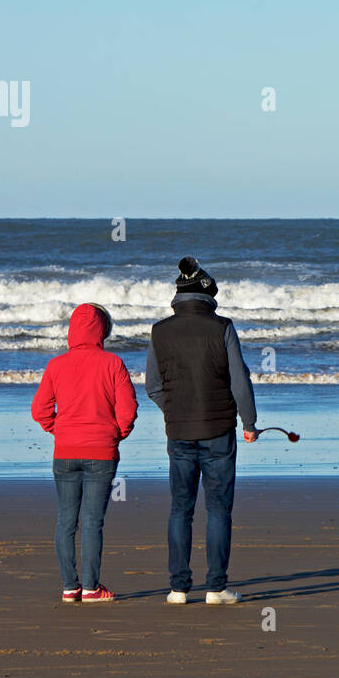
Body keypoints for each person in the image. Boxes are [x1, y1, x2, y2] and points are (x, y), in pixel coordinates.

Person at [145, 258, 258, 605]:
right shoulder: (223, 327)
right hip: (219, 431)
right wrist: (249, 422)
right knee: (219, 510)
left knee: (180, 508)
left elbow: (152, 386)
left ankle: (178, 588)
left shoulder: (159, 331)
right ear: (208, 296)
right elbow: (239, 380)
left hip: (179, 432)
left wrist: (175, 410)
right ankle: (216, 587)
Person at [30, 303, 137, 603]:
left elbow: (39, 410)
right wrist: (114, 435)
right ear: (103, 330)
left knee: (66, 519)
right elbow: (127, 411)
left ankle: (69, 586)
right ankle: (90, 587)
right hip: (101, 452)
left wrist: (58, 430)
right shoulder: (113, 363)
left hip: (64, 452)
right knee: (92, 521)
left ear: (72, 331)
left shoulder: (56, 365)